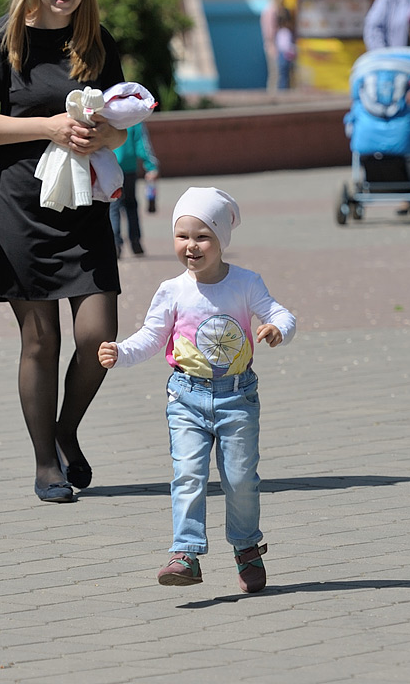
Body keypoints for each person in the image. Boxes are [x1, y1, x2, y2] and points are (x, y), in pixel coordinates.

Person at [0, 0, 128, 504]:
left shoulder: (97, 42)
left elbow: (120, 118)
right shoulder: (3, 41)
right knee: (40, 342)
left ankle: (64, 430)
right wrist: (48, 125)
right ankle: (44, 465)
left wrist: (108, 131)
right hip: (20, 207)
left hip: (84, 206)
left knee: (99, 336)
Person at [97, 187, 296, 593]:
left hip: (237, 397)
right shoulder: (172, 290)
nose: (191, 245)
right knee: (188, 474)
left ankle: (246, 547)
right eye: (182, 235)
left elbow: (279, 312)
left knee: (240, 479)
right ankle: (184, 553)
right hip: (185, 397)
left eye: (202, 236)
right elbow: (152, 337)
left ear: (221, 239)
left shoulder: (244, 282)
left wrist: (278, 329)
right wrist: (121, 351)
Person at [109, 123, 159, 257]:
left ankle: (116, 244)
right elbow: (142, 144)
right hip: (129, 169)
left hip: (111, 168)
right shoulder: (134, 119)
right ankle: (135, 242)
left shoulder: (108, 116)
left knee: (114, 206)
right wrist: (150, 166)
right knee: (131, 205)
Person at [260, 0, 286, 92]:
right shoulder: (271, 10)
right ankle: (272, 95)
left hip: (275, 44)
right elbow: (269, 32)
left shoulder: (273, 9)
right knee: (275, 72)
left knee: (277, 72)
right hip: (272, 44)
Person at [274, 8, 297, 90]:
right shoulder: (285, 31)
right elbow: (285, 45)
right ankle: (283, 90)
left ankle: (283, 89)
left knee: (283, 75)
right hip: (285, 55)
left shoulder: (280, 31)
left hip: (282, 55)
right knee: (284, 75)